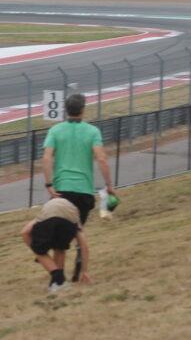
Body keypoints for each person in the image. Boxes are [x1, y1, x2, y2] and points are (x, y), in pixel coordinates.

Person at [42, 92, 119, 279]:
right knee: (77, 228)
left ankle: (58, 279)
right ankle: (81, 263)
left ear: (66, 110)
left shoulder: (55, 131)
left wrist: (49, 185)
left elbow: (46, 158)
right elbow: (102, 159)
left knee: (60, 239)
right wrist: (109, 185)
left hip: (61, 191)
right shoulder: (93, 131)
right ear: (83, 110)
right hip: (84, 191)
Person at [21, 196, 90, 293]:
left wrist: (38, 253)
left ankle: (59, 280)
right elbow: (84, 247)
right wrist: (84, 271)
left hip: (47, 220)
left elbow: (24, 232)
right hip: (68, 224)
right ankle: (57, 283)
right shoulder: (75, 216)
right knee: (60, 248)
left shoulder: (47, 210)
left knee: (39, 251)